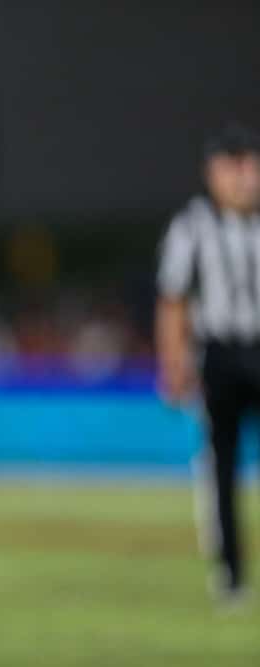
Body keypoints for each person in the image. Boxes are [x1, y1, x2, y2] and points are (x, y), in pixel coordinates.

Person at [156, 123, 260, 605]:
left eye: (247, 165)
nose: (241, 178)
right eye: (230, 167)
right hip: (219, 354)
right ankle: (232, 575)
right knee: (221, 468)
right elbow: (173, 300)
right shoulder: (193, 226)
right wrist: (173, 362)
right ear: (213, 173)